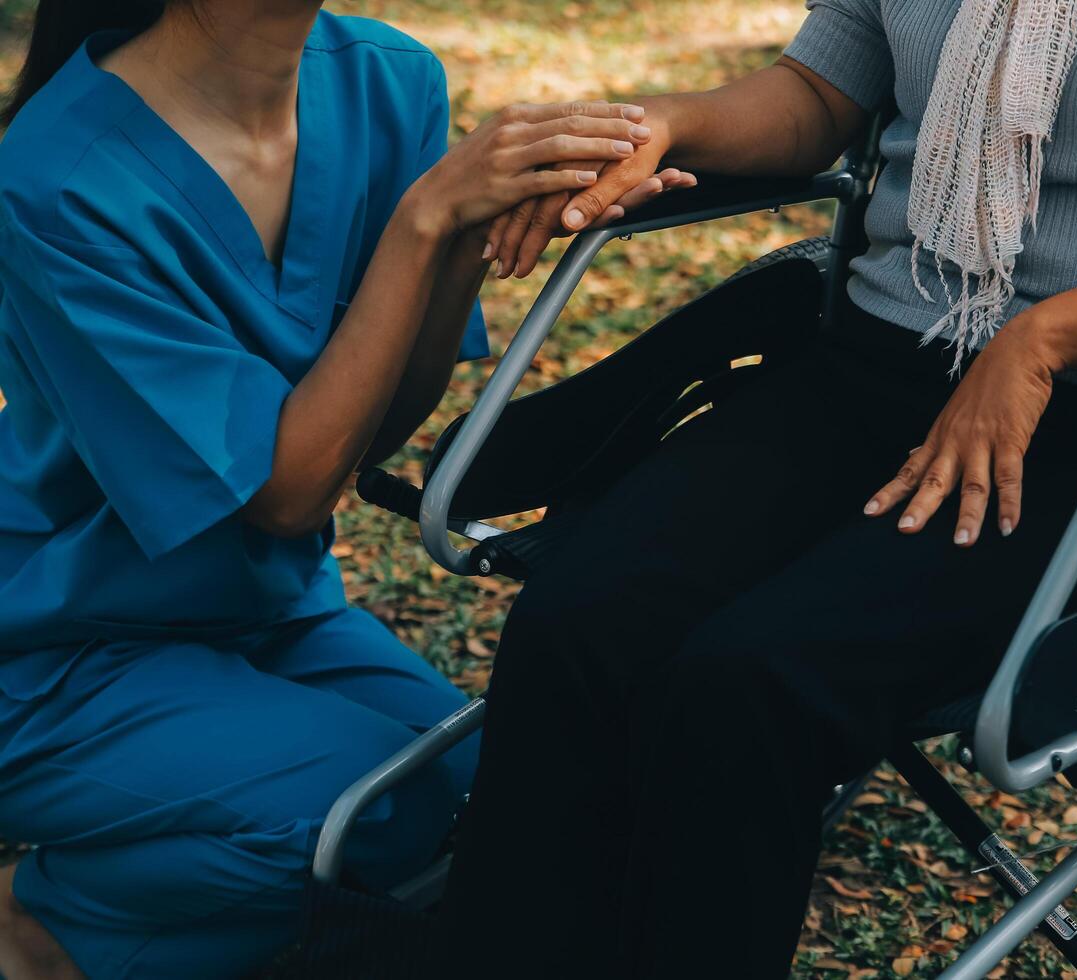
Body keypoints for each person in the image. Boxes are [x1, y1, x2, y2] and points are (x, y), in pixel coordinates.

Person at [436, 0, 1077, 977]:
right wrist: (662, 122)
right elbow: (819, 97)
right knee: (582, 617)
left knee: (752, 684)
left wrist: (1046, 337)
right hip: (878, 367)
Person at [0, 1, 690, 977]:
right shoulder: (57, 175)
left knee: (492, 801)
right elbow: (286, 496)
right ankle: (40, 929)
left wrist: (464, 239)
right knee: (368, 815)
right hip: (50, 653)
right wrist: (424, 220)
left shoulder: (388, 79)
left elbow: (365, 433)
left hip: (265, 611)